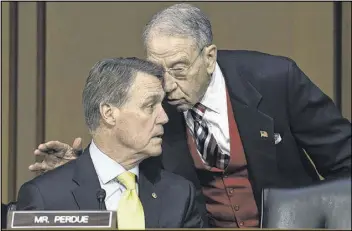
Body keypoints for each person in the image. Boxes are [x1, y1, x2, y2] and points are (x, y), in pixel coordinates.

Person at [29, 3, 351, 228]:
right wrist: (83, 166)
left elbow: (346, 162)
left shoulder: (277, 80)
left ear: (209, 57)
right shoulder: (157, 110)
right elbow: (127, 162)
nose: (167, 85)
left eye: (179, 69)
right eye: (159, 70)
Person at [17, 57, 204, 229]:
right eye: (149, 106)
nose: (163, 117)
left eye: (162, 106)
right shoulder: (46, 197)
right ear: (108, 113)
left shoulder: (179, 195)